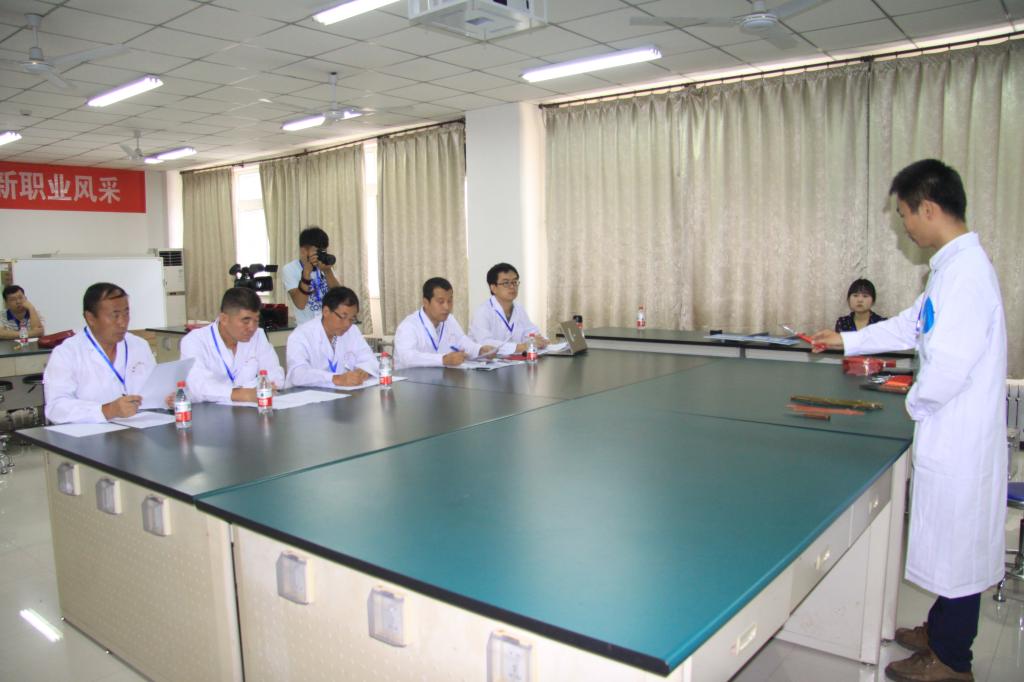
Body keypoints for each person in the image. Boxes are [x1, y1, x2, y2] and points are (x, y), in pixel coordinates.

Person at [811, 159, 1006, 682]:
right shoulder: (949, 269)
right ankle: (940, 630)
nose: (905, 226)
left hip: (959, 437)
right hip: (951, 432)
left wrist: (914, 403)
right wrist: (845, 339)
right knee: (950, 544)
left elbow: (949, 368)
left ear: (929, 208)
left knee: (959, 550)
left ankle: (952, 660)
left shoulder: (966, 276)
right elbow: (909, 326)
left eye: (904, 214)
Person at [43, 282, 156, 424]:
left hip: (140, 428)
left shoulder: (139, 345)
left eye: (126, 314)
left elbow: (154, 390)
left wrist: (167, 398)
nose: (123, 323)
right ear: (90, 318)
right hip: (90, 434)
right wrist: (107, 411)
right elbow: (56, 408)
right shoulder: (67, 353)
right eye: (115, 315)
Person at [180, 287, 285, 403]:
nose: (252, 328)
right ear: (224, 319)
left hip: (250, 411)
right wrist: (244, 393)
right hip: (211, 411)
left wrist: (246, 391)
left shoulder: (258, 335)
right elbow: (199, 385)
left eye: (256, 321)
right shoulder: (195, 341)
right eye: (246, 321)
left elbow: (275, 376)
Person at [286, 286, 377, 389]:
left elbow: (370, 360)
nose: (347, 324)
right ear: (326, 311)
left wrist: (363, 371)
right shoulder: (300, 335)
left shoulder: (352, 330)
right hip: (308, 395)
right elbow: (297, 374)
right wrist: (335, 379)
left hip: (344, 394)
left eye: (352, 319)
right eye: (343, 317)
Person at [393, 277, 494, 369]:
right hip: (411, 380)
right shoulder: (409, 326)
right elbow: (407, 357)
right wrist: (443, 359)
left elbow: (462, 341)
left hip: (440, 378)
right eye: (441, 302)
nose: (447, 307)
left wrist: (479, 350)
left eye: (449, 301)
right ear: (426, 302)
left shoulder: (449, 320)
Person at [469, 262, 548, 355]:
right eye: (506, 283)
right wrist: (522, 347)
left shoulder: (519, 308)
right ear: (493, 288)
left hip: (512, 361)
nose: (512, 286)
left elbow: (531, 332)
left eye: (514, 282)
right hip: (484, 362)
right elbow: (485, 343)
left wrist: (542, 341)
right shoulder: (482, 312)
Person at [282, 226, 341, 324]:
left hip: (329, 326)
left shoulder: (325, 266)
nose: (321, 255)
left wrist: (327, 271)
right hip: (307, 328)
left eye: (324, 251)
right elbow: (300, 304)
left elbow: (339, 298)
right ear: (303, 251)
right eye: (318, 251)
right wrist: (306, 273)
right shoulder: (290, 269)